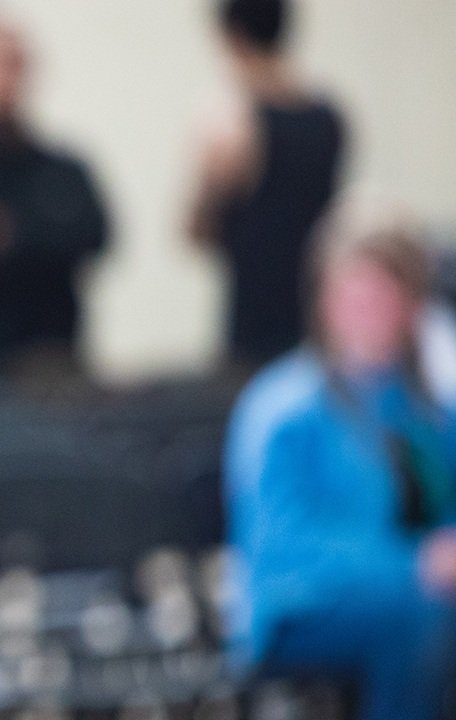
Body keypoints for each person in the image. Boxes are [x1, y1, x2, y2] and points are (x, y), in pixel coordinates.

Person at [224, 198, 456, 720]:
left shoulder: (428, 409)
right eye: (355, 294)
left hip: (417, 594)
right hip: (303, 605)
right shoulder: (282, 410)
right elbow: (285, 546)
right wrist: (412, 566)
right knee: (421, 617)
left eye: (384, 295)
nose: (368, 310)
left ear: (412, 306)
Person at [0, 14, 108, 376]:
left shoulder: (65, 169)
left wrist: (13, 236)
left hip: (55, 364)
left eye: (13, 65)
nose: (3, 80)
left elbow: (97, 237)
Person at [189, 0, 345, 368]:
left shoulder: (230, 124)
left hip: (255, 324)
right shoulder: (329, 117)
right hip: (315, 313)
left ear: (234, 38)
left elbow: (197, 231)